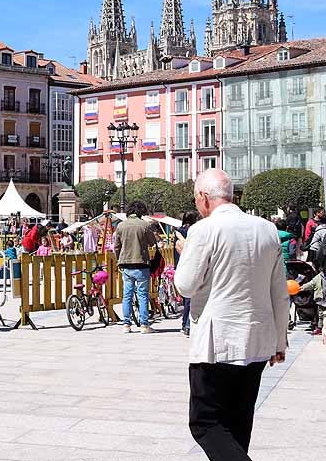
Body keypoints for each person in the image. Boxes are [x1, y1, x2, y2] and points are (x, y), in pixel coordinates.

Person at [175, 169, 288, 461]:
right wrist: (280, 340)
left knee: (205, 422)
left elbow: (185, 286)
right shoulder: (266, 228)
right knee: (239, 423)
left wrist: (185, 250)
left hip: (216, 342)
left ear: (203, 198)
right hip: (258, 339)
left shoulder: (203, 229)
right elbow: (279, 290)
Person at [113, 200, 159, 333]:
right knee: (142, 295)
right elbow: (152, 243)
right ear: (141, 212)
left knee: (127, 295)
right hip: (141, 264)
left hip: (126, 264)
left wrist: (119, 260)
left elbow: (116, 246)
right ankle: (144, 325)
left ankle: (126, 324)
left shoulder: (121, 226)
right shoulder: (144, 225)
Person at [174, 210, 199, 337]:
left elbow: (175, 250)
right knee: (191, 298)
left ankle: (185, 324)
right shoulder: (194, 230)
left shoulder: (179, 231)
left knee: (186, 299)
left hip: (180, 265)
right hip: (191, 264)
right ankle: (188, 324)